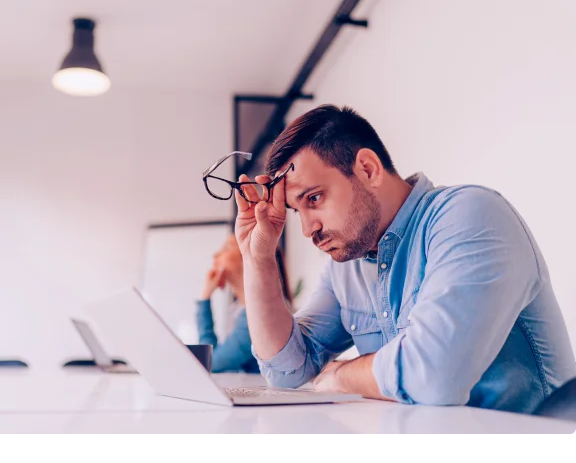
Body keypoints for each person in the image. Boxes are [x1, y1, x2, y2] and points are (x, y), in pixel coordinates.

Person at [231, 103, 576, 414]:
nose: (307, 229)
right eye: (296, 211)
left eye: (315, 198)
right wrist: (257, 258)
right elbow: (286, 371)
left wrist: (341, 375)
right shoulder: (346, 267)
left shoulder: (470, 214)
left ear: (367, 169)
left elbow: (434, 375)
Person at [195, 233, 292, 373]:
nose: (215, 255)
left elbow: (211, 363)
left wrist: (204, 298)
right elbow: (214, 358)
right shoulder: (237, 310)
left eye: (227, 248)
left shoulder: (262, 313)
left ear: (248, 258)